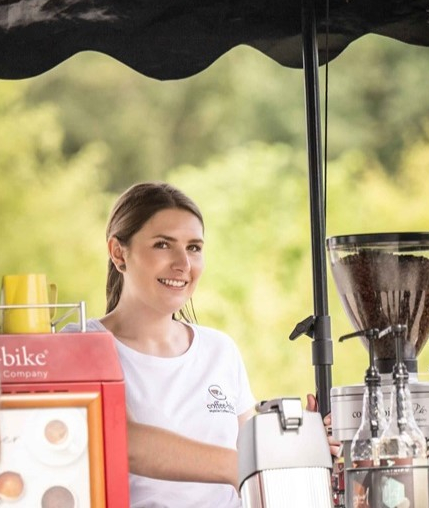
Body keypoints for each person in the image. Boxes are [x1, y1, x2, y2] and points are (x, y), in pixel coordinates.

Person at [64, 182, 336, 507]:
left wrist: (301, 441)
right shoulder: (81, 344)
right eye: (163, 245)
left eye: (194, 247)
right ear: (119, 253)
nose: (183, 264)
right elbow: (119, 439)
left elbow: (252, 450)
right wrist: (238, 465)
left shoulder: (219, 350)